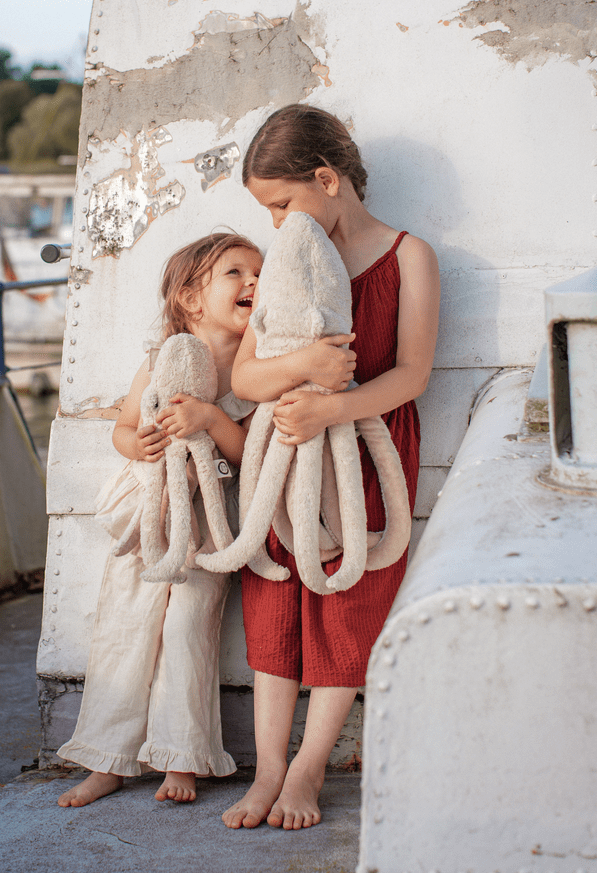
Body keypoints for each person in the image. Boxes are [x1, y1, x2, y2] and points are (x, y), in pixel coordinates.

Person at [222, 104, 440, 830]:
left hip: (361, 455)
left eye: (282, 204)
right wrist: (300, 371)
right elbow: (249, 378)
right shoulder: (283, 258)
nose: (278, 224)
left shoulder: (409, 256)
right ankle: (267, 769)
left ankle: (308, 770)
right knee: (276, 601)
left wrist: (332, 408)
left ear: (326, 178)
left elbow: (411, 373)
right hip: (284, 462)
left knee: (347, 605)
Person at [57, 232, 263, 808]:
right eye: (235, 273)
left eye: (259, 272)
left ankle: (182, 757)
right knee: (128, 628)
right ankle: (107, 759)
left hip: (207, 522)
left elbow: (247, 451)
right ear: (193, 299)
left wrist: (208, 417)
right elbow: (123, 428)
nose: (254, 281)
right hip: (153, 513)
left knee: (187, 632)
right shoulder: (162, 358)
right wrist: (138, 445)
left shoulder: (254, 369)